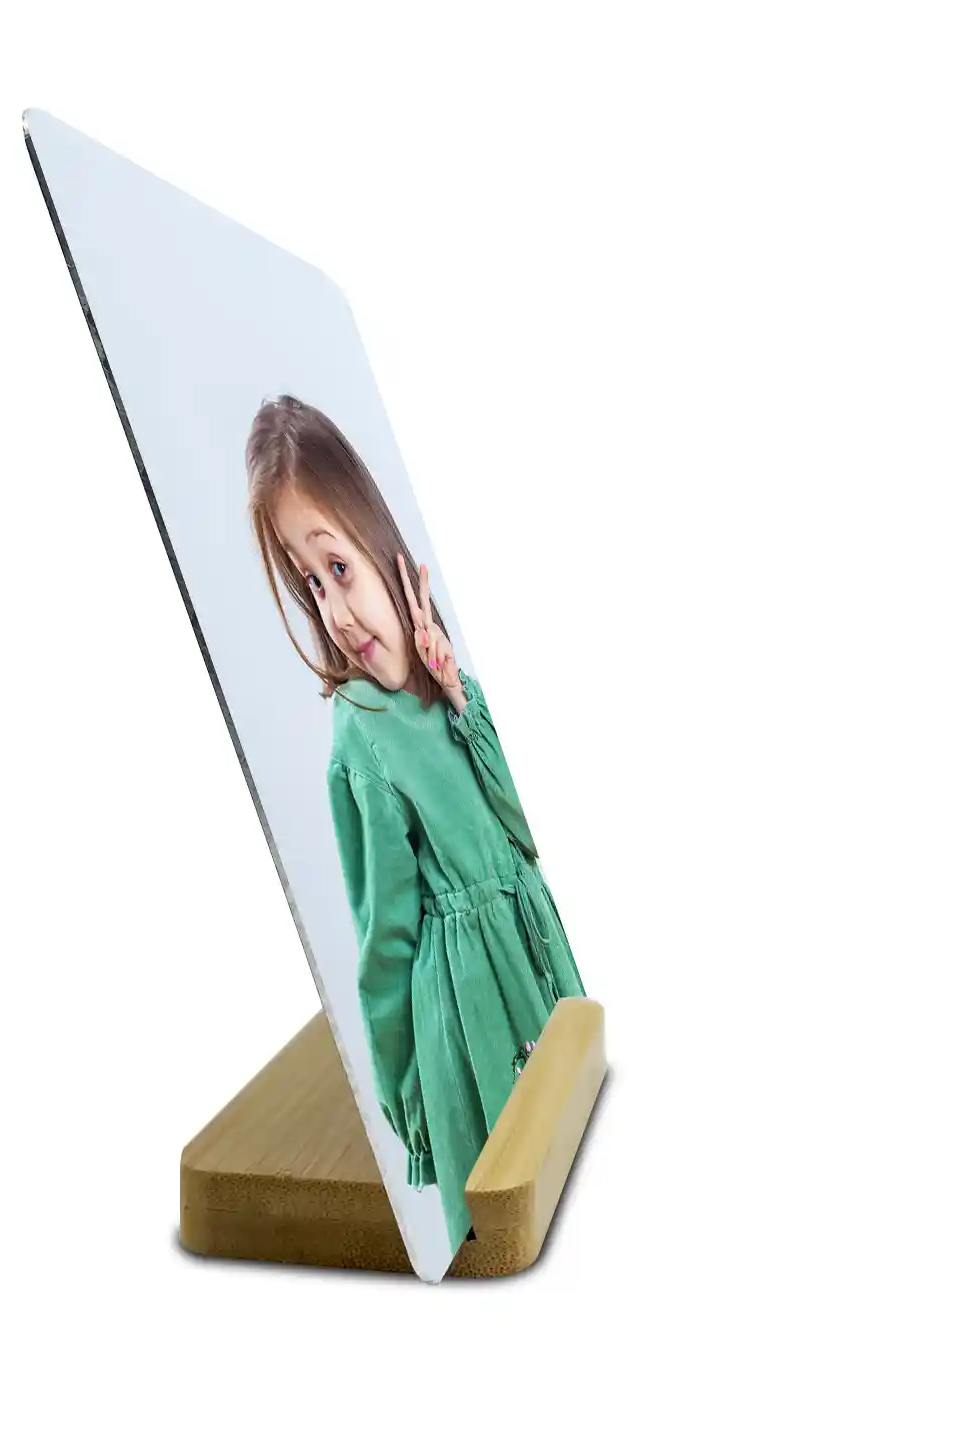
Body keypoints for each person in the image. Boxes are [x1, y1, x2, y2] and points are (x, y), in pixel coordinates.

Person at [245, 393, 585, 1251]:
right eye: (310, 582)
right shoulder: (363, 729)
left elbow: (522, 835)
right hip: (471, 1028)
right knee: (513, 1227)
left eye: (338, 567)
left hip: (540, 974)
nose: (334, 611)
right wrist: (408, 1099)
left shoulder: (453, 692)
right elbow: (383, 937)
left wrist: (460, 695)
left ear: (380, 544)